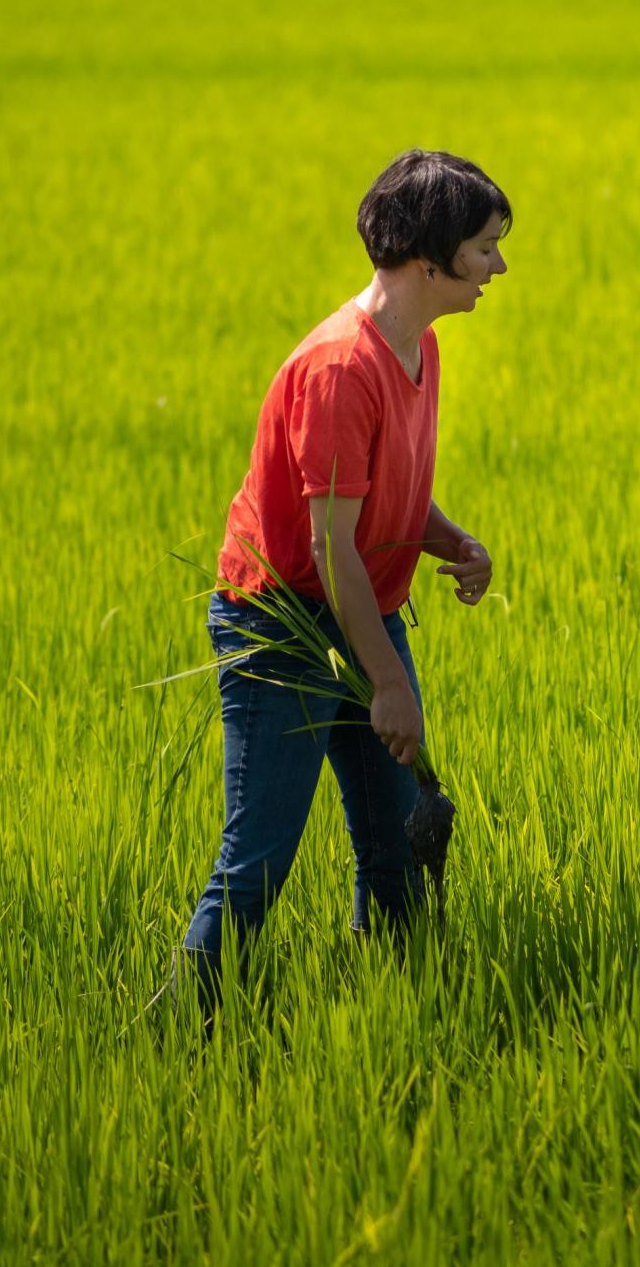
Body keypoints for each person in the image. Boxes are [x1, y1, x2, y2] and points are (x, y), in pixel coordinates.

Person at [177, 149, 508, 1008]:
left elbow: (383, 488)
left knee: (399, 846)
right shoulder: (339, 369)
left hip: (359, 607)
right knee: (257, 861)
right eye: (484, 248)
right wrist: (388, 683)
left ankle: (393, 1011)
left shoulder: (419, 346)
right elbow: (331, 549)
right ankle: (184, 1031)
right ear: (430, 257)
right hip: (282, 623)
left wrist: (449, 539)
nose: (498, 267)